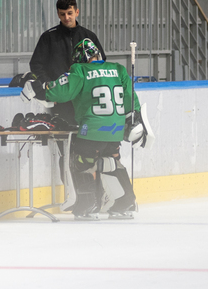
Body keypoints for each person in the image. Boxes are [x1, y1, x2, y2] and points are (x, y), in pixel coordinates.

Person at [27, 38, 139, 221]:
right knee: (111, 161)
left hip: (92, 128)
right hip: (115, 129)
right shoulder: (119, 70)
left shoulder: (80, 70)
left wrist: (39, 88)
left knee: (82, 162)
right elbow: (130, 99)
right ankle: (125, 202)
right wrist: (136, 118)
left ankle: (88, 206)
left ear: (80, 57)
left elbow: (60, 92)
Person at [28, 0, 106, 125]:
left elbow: (101, 64)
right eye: (62, 14)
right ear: (58, 14)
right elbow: (36, 65)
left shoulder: (89, 37)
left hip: (86, 99)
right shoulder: (48, 37)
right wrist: (51, 87)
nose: (66, 18)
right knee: (64, 139)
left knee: (87, 138)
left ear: (77, 12)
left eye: (70, 13)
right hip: (61, 101)